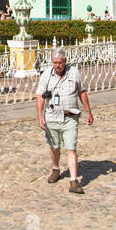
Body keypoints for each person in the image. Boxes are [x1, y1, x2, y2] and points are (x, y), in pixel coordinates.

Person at [36, 47, 93, 194]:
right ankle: (55, 169)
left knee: (71, 148)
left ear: (65, 61)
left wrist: (88, 111)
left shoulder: (74, 72)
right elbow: (40, 96)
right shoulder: (46, 76)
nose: (57, 66)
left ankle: (74, 181)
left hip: (70, 117)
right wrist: (39, 115)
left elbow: (82, 92)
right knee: (54, 146)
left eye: (60, 62)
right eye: (55, 62)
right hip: (52, 117)